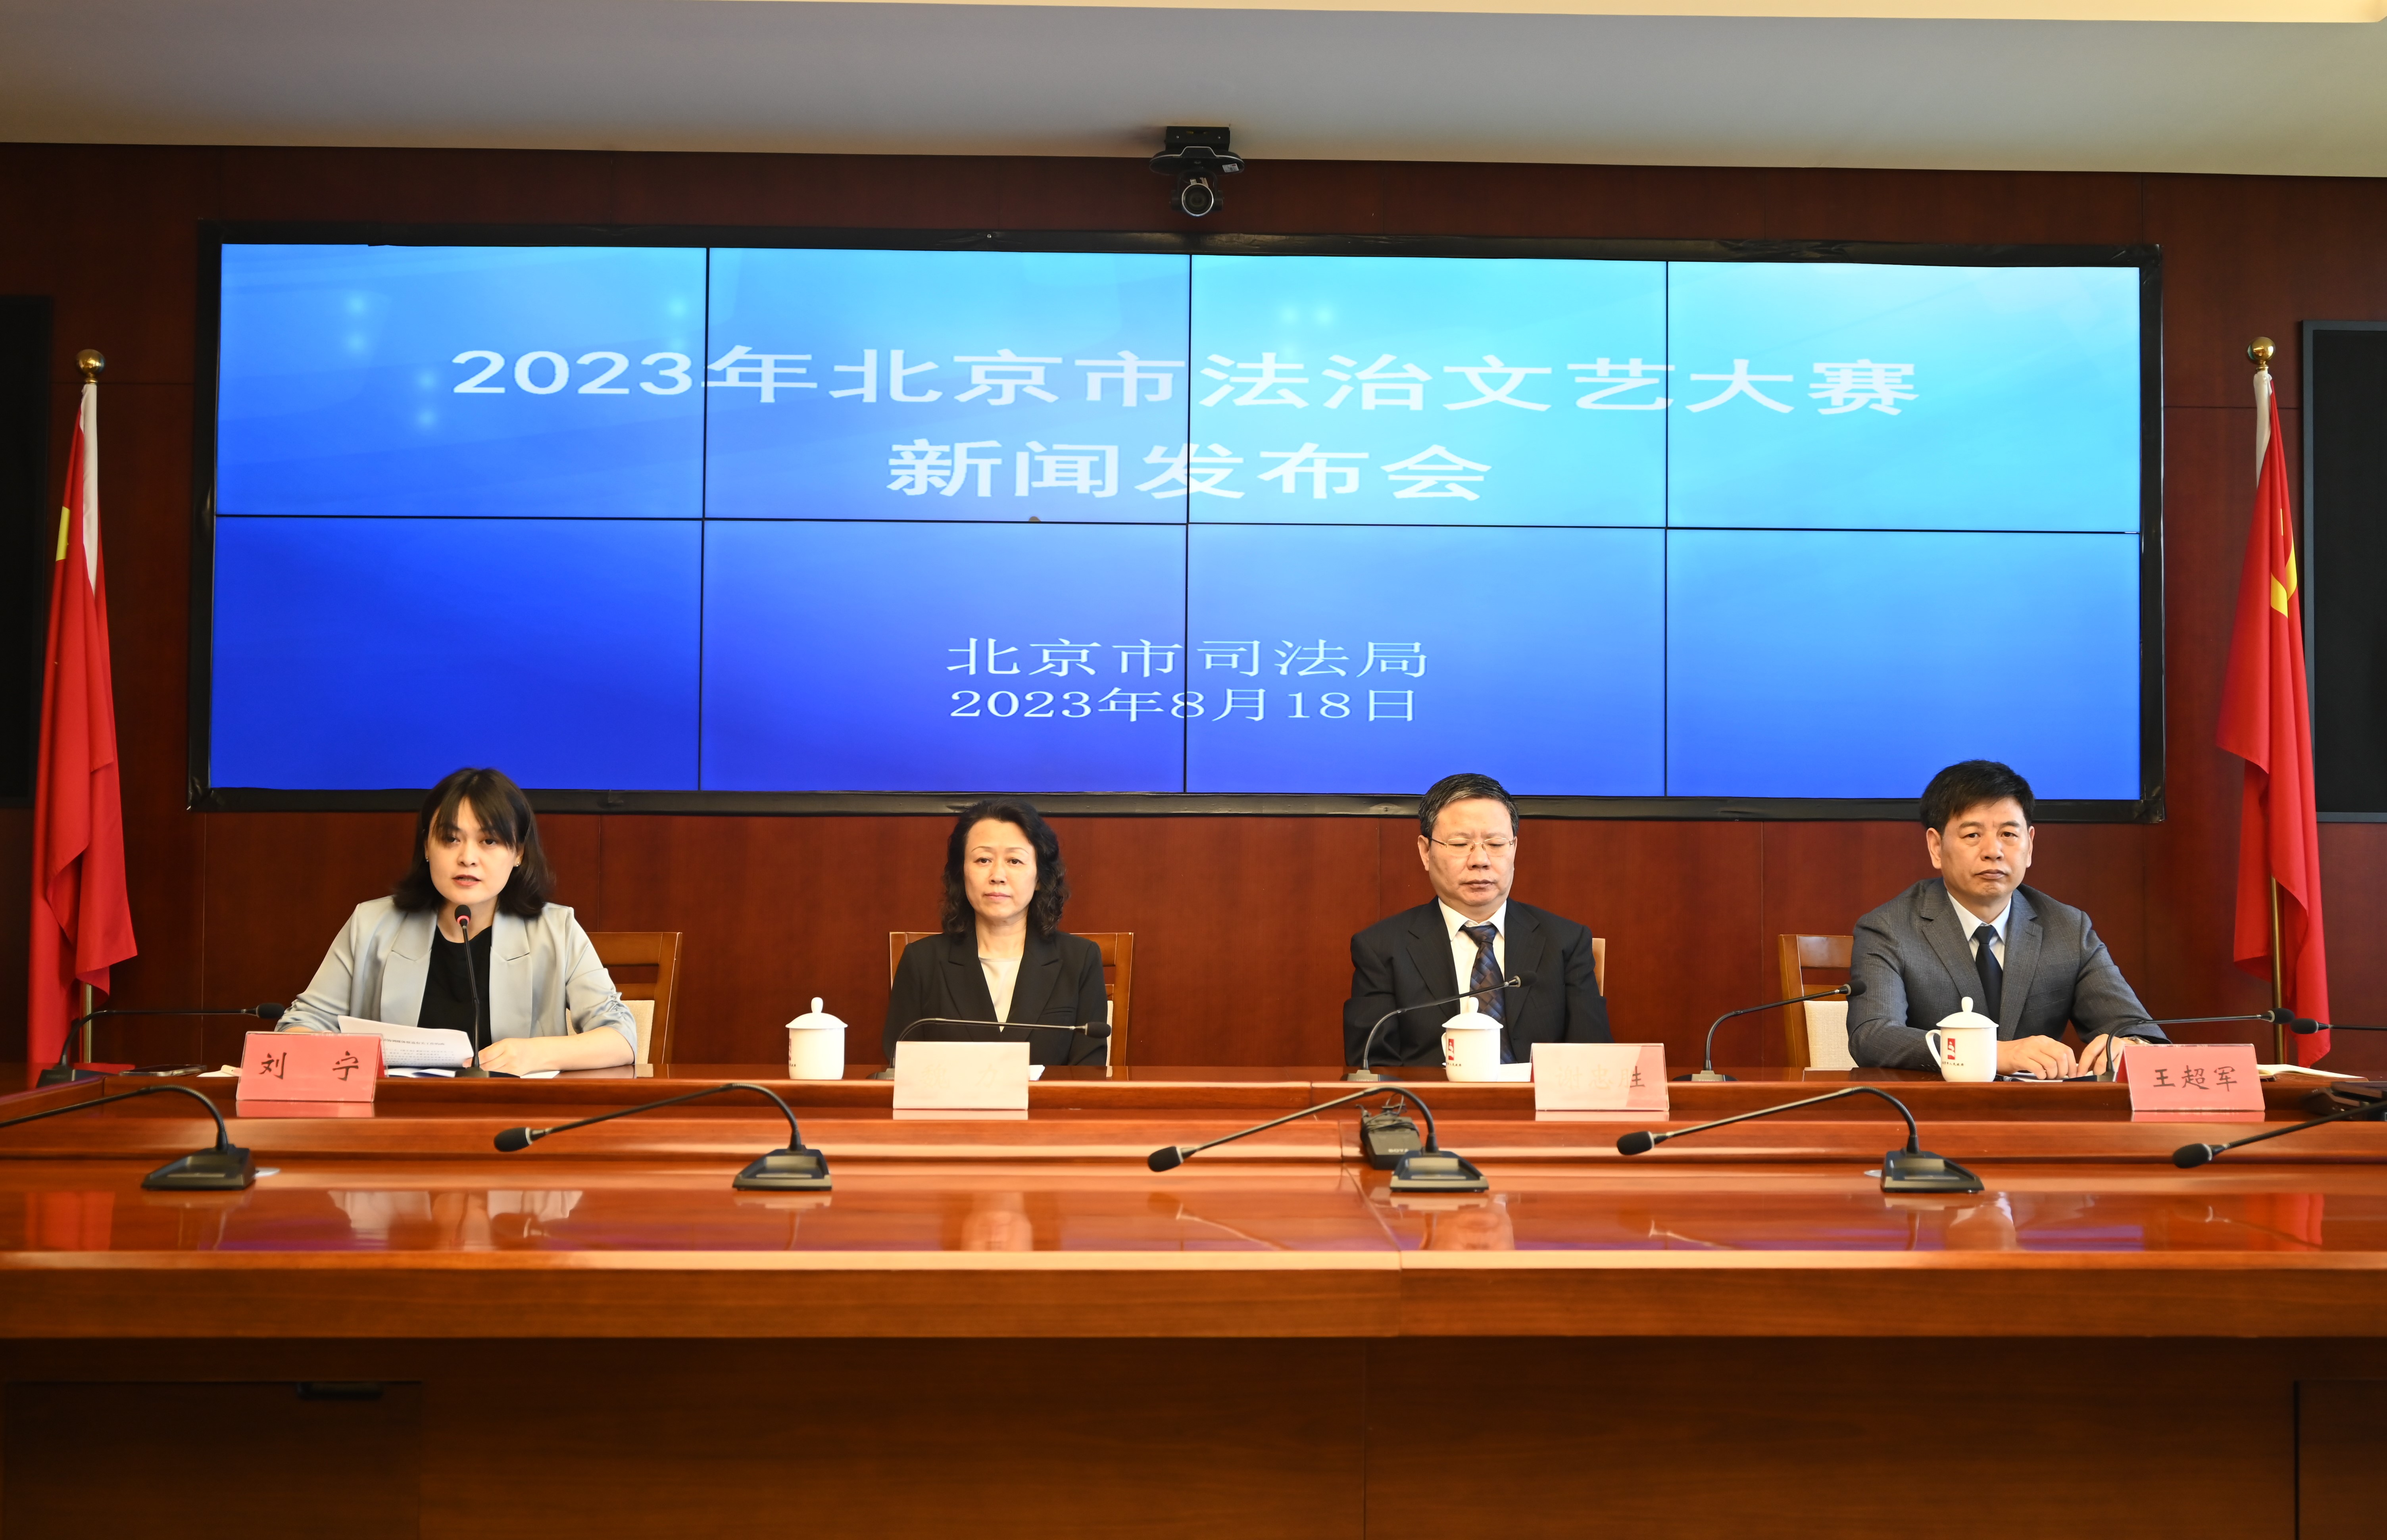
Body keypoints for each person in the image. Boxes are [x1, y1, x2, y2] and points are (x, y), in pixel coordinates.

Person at [281, 767, 638, 1073]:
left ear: (518, 852)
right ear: (427, 847)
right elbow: (299, 1026)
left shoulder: (556, 931)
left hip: (517, 1119)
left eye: (489, 841)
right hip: (394, 1116)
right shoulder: (371, 924)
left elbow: (622, 1036)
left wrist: (535, 1054)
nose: (468, 857)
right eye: (451, 839)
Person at [1847, 759, 2166, 1078]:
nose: (1994, 851)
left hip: (2040, 1108)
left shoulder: (2068, 928)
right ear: (1936, 846)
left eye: (2009, 834)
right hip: (1929, 1106)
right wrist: (1991, 1053)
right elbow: (1873, 1035)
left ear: (2030, 844)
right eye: (1973, 834)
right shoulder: (1889, 928)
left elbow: (2137, 1028)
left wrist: (2131, 1045)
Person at [1342, 772, 1611, 1069]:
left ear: (1514, 848)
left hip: (1536, 1099)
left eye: (1496, 844)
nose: (1480, 860)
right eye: (1460, 844)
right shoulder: (1381, 948)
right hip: (1429, 1099)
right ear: (1426, 852)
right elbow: (1372, 1069)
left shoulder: (1566, 941)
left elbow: (1593, 1062)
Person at [882, 798, 1110, 1067]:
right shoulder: (922, 962)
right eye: (983, 859)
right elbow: (902, 1070)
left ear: (1040, 877)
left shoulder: (1080, 960)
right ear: (962, 872)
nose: (998, 875)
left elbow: (1088, 1074)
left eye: (1015, 860)